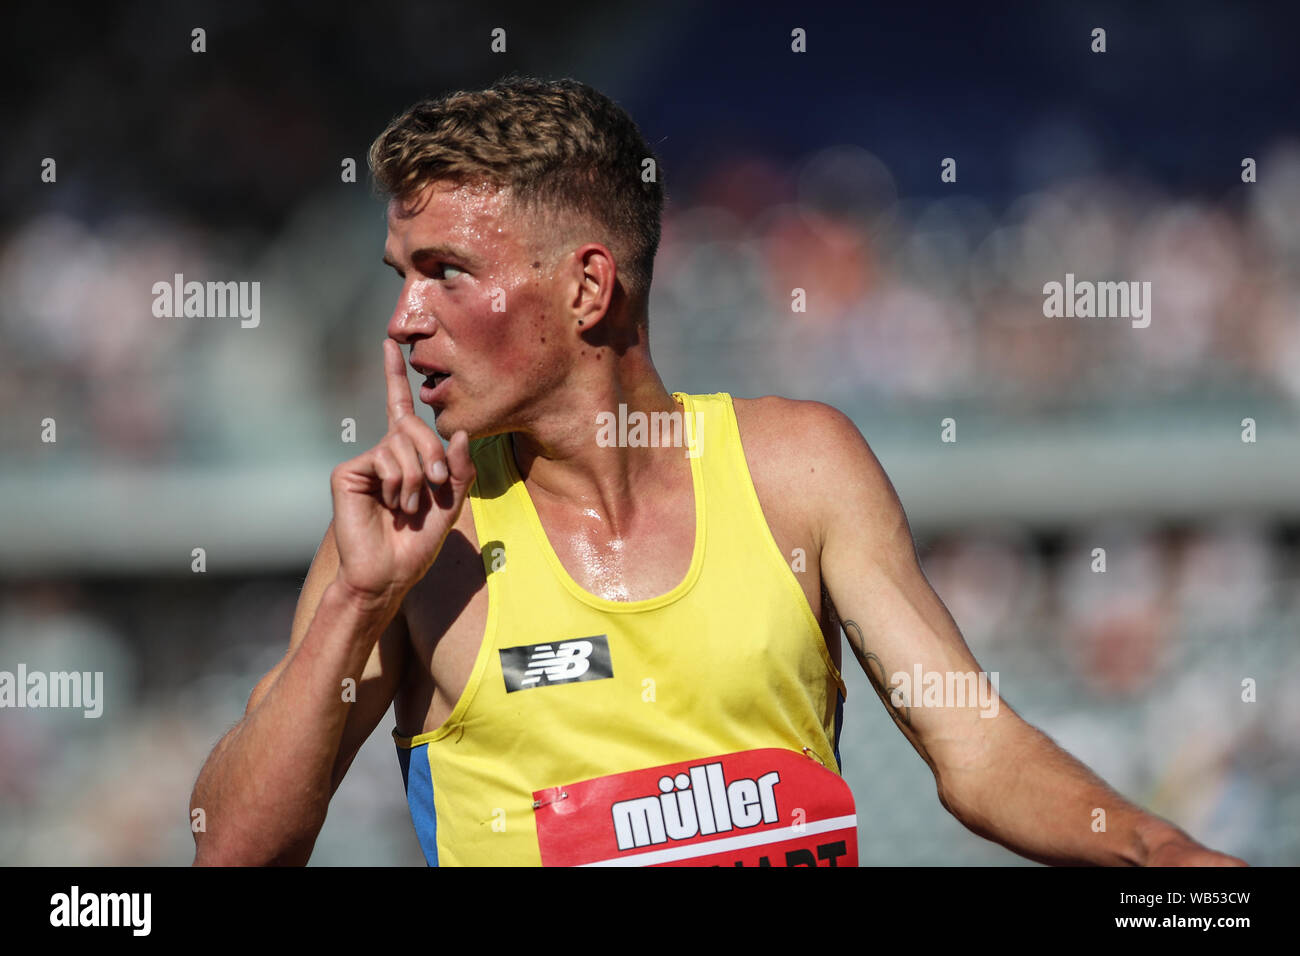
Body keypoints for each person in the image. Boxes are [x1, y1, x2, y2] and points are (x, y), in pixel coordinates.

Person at [189, 75, 1245, 867]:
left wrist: (1167, 857)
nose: (403, 318)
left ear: (586, 287)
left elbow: (978, 753)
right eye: (402, 275)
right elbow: (230, 849)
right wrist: (358, 604)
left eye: (445, 273)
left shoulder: (798, 467)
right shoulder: (412, 538)